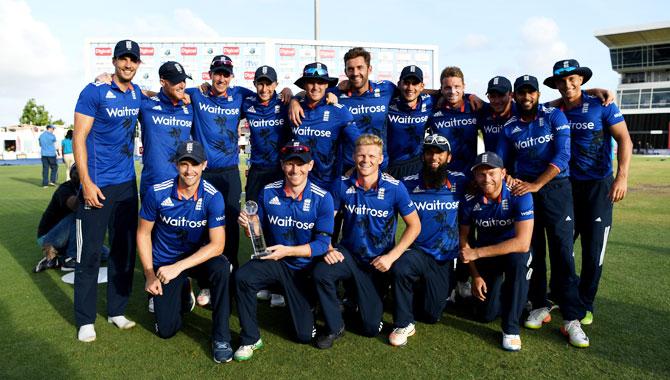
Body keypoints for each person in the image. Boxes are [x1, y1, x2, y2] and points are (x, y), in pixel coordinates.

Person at [497, 75, 590, 348]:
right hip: (526, 192)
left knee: (563, 251)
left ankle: (572, 318)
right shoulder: (510, 126)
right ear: (514, 96)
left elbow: (562, 156)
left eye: (531, 92)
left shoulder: (554, 116)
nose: (526, 97)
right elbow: (503, 163)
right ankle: (539, 304)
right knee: (533, 251)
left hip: (555, 189)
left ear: (537, 94)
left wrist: (537, 184)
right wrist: (510, 179)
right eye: (521, 93)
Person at [312, 134, 421, 349]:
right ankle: (335, 326)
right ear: (353, 156)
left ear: (381, 159)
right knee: (321, 272)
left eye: (372, 155)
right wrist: (328, 247)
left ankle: (355, 301)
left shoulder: (395, 187)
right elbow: (326, 220)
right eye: (361, 155)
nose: (365, 160)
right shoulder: (341, 184)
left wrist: (391, 257)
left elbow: (414, 225)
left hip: (378, 262)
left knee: (370, 328)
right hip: (349, 255)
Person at [544, 59, 632, 325]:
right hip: (567, 187)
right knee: (562, 247)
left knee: (593, 251)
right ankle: (559, 294)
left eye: (573, 79)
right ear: (556, 84)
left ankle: (586, 302)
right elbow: (524, 103)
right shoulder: (552, 110)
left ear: (581, 80)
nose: (568, 84)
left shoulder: (602, 106)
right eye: (562, 80)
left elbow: (624, 139)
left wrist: (622, 178)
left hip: (599, 188)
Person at [234, 140, 334, 361]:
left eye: (301, 164)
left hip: (305, 271)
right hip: (277, 263)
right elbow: (257, 236)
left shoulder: (323, 197)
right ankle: (250, 338)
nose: (294, 170)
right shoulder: (268, 192)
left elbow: (322, 245)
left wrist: (288, 251)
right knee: (242, 277)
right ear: (282, 165)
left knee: (303, 335)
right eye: (290, 163)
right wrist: (250, 226)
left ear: (310, 166)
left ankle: (310, 304)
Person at [137, 140, 232, 363]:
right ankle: (182, 289)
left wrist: (178, 267)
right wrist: (150, 274)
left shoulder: (213, 196)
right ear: (176, 164)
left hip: (189, 261)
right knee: (166, 331)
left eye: (195, 164)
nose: (189, 170)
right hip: (165, 263)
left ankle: (221, 338)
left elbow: (218, 245)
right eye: (184, 164)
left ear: (204, 165)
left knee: (221, 267)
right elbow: (143, 234)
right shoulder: (157, 193)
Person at [73, 39, 142, 342]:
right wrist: (86, 182)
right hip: (97, 186)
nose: (128, 64)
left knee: (124, 252)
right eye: (123, 59)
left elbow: (156, 94)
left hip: (127, 186)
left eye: (133, 60)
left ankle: (117, 310)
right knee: (88, 254)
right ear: (114, 61)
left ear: (138, 64)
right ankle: (85, 320)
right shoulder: (94, 91)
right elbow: (79, 137)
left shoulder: (137, 93)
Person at [391, 134, 466, 346]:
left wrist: (508, 178)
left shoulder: (460, 182)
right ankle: (404, 323)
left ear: (448, 157)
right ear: (422, 156)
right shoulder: (407, 184)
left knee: (431, 315)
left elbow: (489, 180)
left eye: (439, 152)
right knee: (401, 268)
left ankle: (417, 291)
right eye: (429, 152)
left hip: (443, 258)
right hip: (418, 252)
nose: (434, 157)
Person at [459, 152, 534, 351]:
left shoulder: (519, 193)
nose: (486, 179)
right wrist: (474, 276)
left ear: (503, 173)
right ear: (474, 176)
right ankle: (514, 298)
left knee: (518, 261)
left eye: (491, 173)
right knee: (485, 315)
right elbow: (464, 240)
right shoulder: (469, 199)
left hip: (512, 253)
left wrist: (477, 253)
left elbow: (523, 243)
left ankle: (511, 329)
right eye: (480, 174)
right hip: (487, 258)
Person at [289, 62, 360, 194]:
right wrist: (293, 99)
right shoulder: (293, 109)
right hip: (298, 185)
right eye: (311, 82)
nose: (316, 87)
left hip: (330, 186)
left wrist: (357, 167)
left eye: (321, 82)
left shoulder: (339, 111)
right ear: (304, 85)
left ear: (327, 85)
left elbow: (360, 144)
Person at [138, 61, 193, 198]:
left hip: (182, 184)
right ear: (163, 81)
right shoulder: (145, 105)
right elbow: (127, 90)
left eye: (183, 80)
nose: (182, 85)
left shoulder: (191, 106)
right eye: (176, 81)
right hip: (152, 184)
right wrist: (106, 77)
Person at [242, 65, 290, 204]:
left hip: (280, 169)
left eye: (268, 84)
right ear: (254, 84)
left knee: (277, 214)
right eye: (260, 84)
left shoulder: (285, 102)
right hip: (257, 170)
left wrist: (290, 92)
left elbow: (305, 97)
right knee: (252, 213)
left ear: (276, 84)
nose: (264, 89)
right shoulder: (247, 103)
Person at [386, 66, 433, 179]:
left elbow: (450, 94)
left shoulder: (430, 102)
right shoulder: (388, 102)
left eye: (415, 83)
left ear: (422, 86)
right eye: (406, 83)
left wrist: (470, 96)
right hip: (390, 166)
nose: (410, 87)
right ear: (399, 84)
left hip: (417, 164)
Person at [34, 164, 80, 272]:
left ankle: (56, 260)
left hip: (65, 235)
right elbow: (74, 205)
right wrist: (86, 192)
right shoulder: (65, 188)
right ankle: (71, 258)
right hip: (48, 236)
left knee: (103, 254)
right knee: (78, 214)